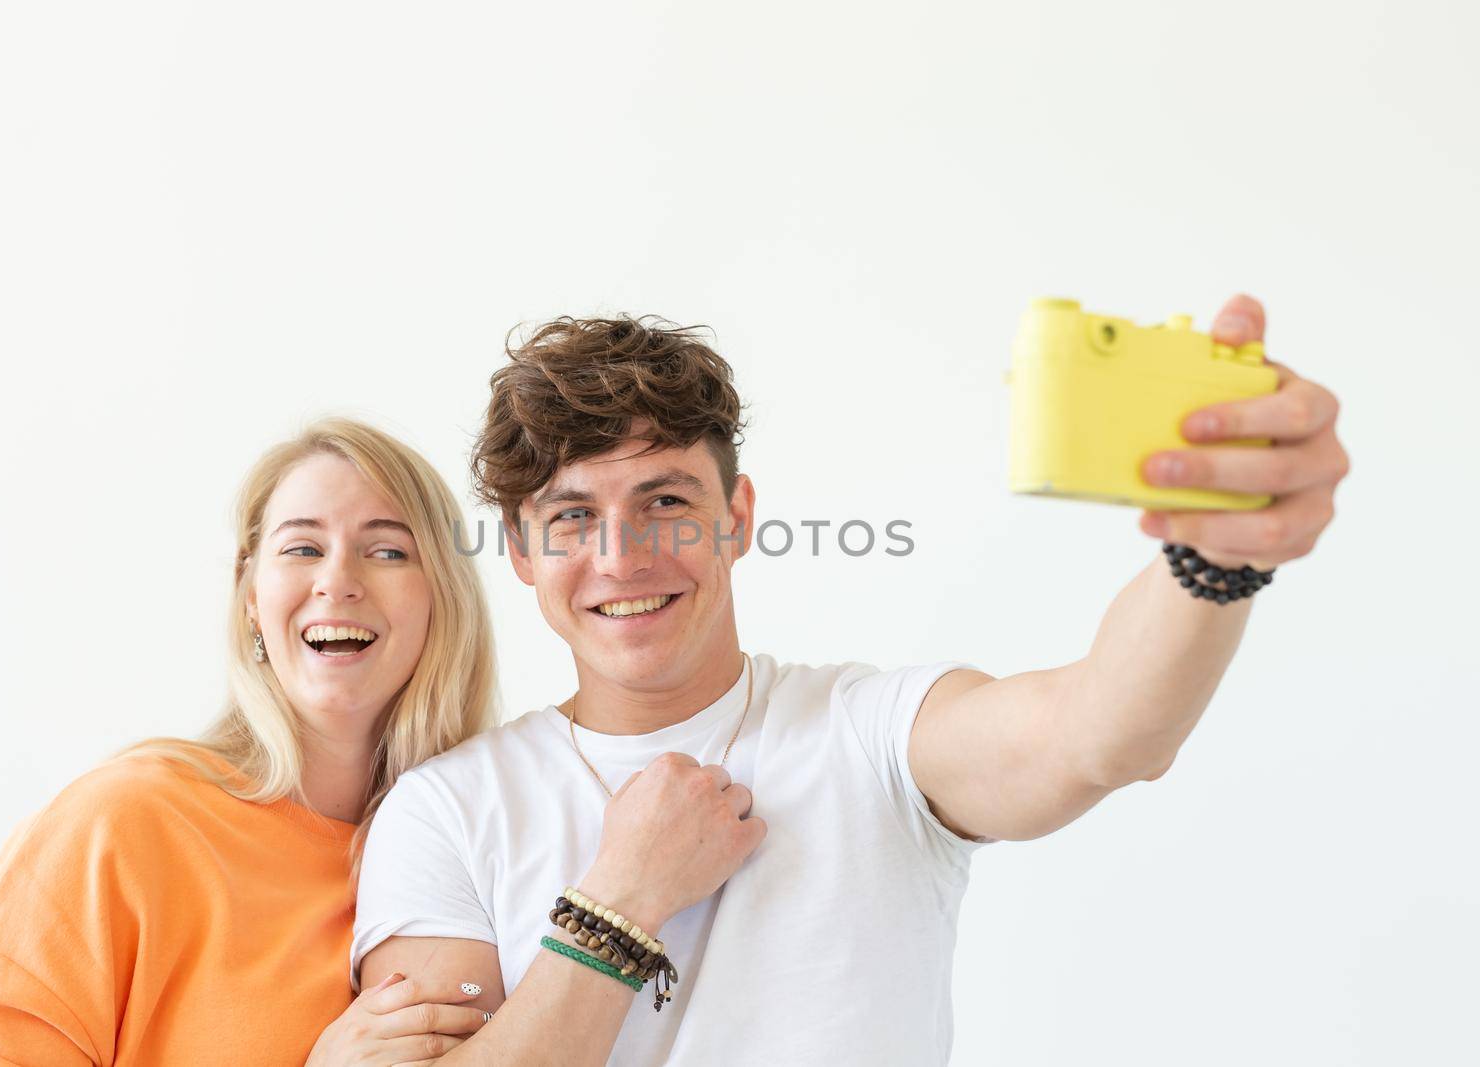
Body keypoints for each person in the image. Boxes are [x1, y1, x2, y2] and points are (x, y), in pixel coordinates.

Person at [352, 298, 1349, 1064]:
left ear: (736, 515)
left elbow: (1098, 731)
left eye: (665, 498)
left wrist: (1210, 559)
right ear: (522, 549)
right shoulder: (446, 809)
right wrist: (625, 894)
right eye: (572, 517)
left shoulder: (870, 732)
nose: (621, 555)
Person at [0, 417, 500, 1065]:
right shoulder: (122, 823)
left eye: (389, 550)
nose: (338, 580)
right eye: (302, 548)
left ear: (442, 598)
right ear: (251, 598)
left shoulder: (480, 846)